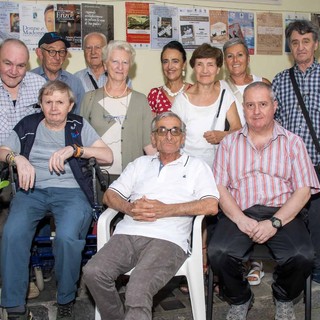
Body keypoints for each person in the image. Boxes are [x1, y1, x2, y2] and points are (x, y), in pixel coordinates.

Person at [82, 111, 220, 319]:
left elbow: (211, 205)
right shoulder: (140, 164)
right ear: (153, 138)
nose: (168, 136)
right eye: (162, 130)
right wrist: (128, 208)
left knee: (138, 287)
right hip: (127, 234)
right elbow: (110, 196)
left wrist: (166, 209)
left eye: (175, 130)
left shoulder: (196, 167)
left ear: (182, 138)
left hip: (169, 239)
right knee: (93, 272)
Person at [0, 80, 113, 320]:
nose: (53, 108)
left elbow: (107, 155)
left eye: (60, 102)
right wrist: (16, 159)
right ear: (41, 103)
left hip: (71, 192)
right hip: (32, 191)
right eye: (48, 101)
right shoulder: (28, 124)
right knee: (13, 233)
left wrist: (76, 149)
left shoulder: (78, 126)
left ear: (70, 105)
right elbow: (2, 149)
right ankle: (14, 307)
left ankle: (65, 298)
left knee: (67, 237)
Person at [208, 82, 319, 320]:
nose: (256, 111)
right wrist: (240, 219)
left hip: (282, 212)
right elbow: (218, 187)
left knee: (302, 255)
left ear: (274, 106)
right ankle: (240, 298)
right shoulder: (228, 144)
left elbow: (303, 191)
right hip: (240, 210)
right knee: (218, 252)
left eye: (262, 104)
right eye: (250, 105)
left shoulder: (293, 142)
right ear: (243, 108)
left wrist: (274, 223)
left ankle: (283, 296)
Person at [272, 20, 320, 284]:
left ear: (315, 44)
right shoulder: (280, 80)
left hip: (318, 162)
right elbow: (272, 122)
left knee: (318, 221)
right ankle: (294, 268)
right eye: (295, 42)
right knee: (291, 220)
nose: (300, 47)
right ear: (289, 47)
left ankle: (317, 270)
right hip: (288, 168)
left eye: (305, 41)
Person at [221, 38, 271, 286]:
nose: (235, 61)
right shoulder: (219, 86)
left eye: (239, 55)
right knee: (234, 206)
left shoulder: (262, 83)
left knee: (260, 199)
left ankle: (256, 262)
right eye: (229, 56)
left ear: (248, 57)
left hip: (260, 154)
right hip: (230, 156)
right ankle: (233, 265)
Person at [80, 40, 155, 185]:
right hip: (96, 179)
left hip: (132, 179)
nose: (120, 67)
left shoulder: (140, 100)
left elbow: (149, 145)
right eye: (115, 61)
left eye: (125, 62)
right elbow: (80, 142)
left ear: (130, 66)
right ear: (105, 65)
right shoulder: (89, 99)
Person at [171, 43, 241, 169]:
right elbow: (172, 136)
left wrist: (224, 135)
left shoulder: (226, 96)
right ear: (193, 69)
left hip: (218, 168)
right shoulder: (182, 100)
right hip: (187, 168)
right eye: (199, 64)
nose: (205, 70)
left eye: (210, 64)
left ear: (218, 69)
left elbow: (238, 130)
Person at [0, 38, 46, 146]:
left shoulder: (39, 84)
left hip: (30, 158)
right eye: (8, 63)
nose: (14, 71)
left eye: (20, 66)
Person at [32, 32, 85, 114]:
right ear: (40, 53)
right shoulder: (28, 80)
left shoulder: (74, 82)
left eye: (61, 52)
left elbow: (79, 118)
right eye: (51, 51)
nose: (57, 57)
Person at [147, 40, 192, 115]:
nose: (170, 66)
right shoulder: (155, 94)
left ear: (184, 65)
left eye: (175, 61)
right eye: (165, 62)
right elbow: (150, 125)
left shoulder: (194, 91)